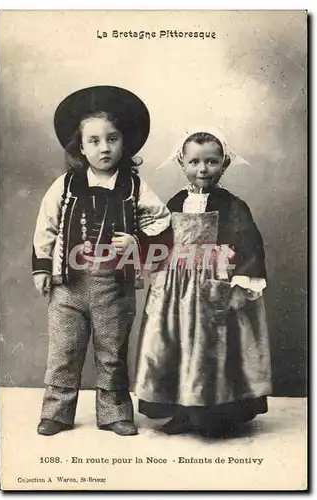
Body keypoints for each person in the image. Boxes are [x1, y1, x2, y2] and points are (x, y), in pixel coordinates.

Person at [32, 85, 171, 436]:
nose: (104, 147)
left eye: (112, 139)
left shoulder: (134, 187)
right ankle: (57, 412)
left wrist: (137, 242)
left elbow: (163, 225)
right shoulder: (65, 185)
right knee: (64, 350)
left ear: (125, 143)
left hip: (115, 286)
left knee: (112, 352)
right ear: (80, 146)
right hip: (69, 285)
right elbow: (45, 226)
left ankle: (114, 413)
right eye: (94, 141)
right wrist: (42, 267)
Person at [135, 126, 272, 437]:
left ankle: (213, 416)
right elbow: (162, 239)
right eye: (195, 162)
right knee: (177, 348)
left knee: (212, 350)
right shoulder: (175, 202)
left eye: (211, 162)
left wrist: (240, 286)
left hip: (215, 289)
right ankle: (183, 412)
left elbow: (249, 244)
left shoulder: (233, 205)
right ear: (182, 163)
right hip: (177, 291)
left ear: (224, 164)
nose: (203, 169)